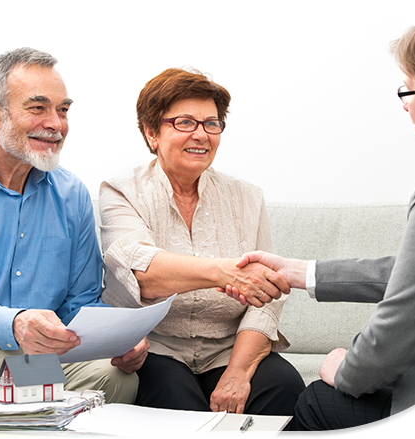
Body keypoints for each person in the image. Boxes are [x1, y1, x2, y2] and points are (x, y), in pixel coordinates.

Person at [224, 27, 415, 438]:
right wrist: (302, 273)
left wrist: (344, 369)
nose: (404, 108)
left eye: (408, 93)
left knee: (318, 401)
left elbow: (403, 324)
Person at [0, 47, 147, 402]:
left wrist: (117, 338)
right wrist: (15, 323)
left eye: (63, 110)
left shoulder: (72, 195)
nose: (56, 123)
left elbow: (79, 303)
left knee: (115, 377)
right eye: (38, 108)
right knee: (13, 370)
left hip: (35, 354)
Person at [99, 68, 305, 424]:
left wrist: (239, 372)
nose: (201, 134)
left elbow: (267, 297)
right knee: (177, 405)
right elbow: (142, 273)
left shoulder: (247, 197)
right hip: (158, 348)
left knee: (284, 387)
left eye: (212, 123)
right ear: (152, 133)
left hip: (229, 348)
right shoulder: (121, 192)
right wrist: (225, 273)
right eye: (184, 122)